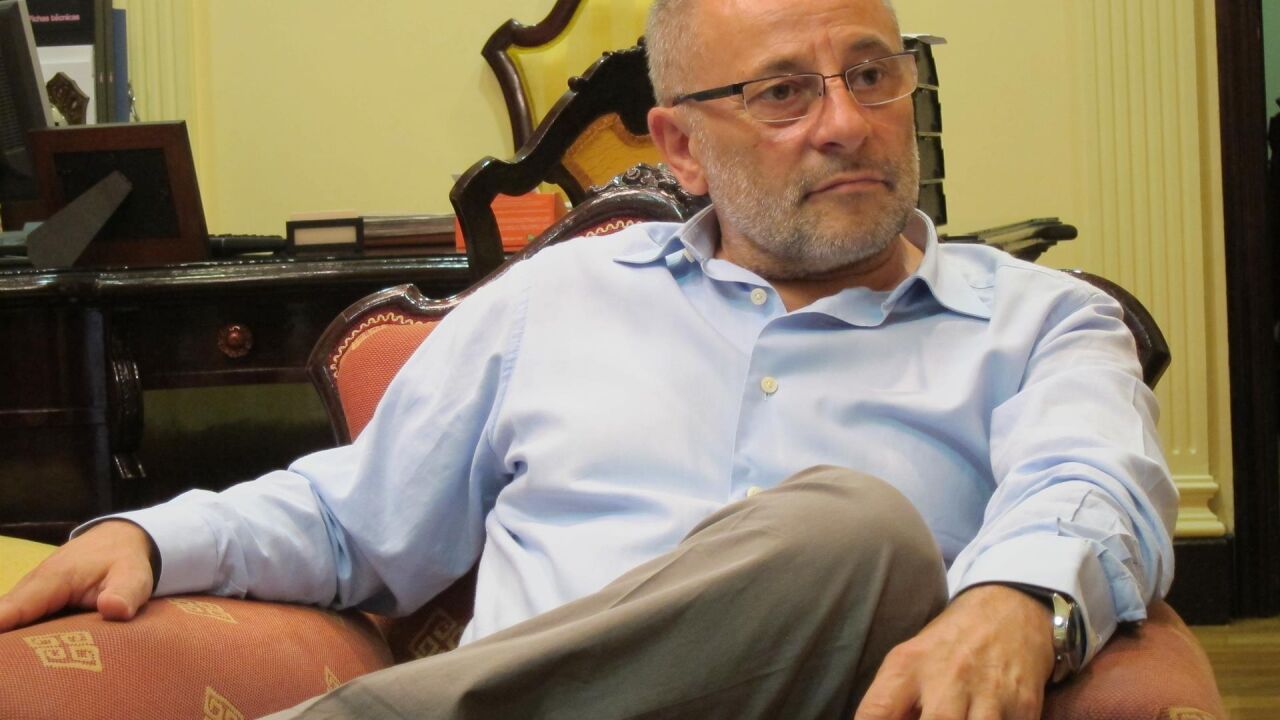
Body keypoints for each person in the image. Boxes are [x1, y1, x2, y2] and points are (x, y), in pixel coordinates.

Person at [0, 0, 1177, 717]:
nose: (843, 121)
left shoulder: (1039, 322)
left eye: (869, 75)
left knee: (857, 537)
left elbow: (1094, 483)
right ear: (680, 146)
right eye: (782, 92)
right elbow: (354, 519)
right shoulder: (557, 301)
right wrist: (149, 535)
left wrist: (1019, 599)